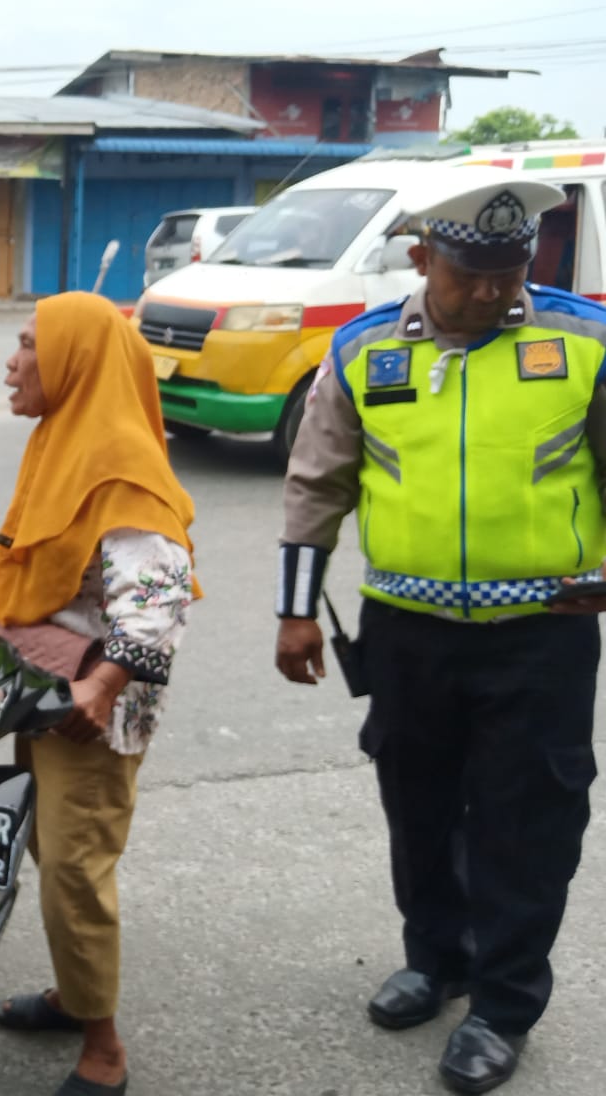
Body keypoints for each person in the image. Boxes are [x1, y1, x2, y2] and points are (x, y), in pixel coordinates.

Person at [275, 170, 606, 1095]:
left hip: (543, 630)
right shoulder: (358, 350)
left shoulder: (583, 341)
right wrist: (296, 612)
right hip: (407, 629)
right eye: (472, 274)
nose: (496, 291)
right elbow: (315, 486)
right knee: (417, 804)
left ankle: (502, 1005)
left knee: (526, 817)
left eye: (511, 270)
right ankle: (437, 957)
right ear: (421, 259)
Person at [0, 291, 196, 1096]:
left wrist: (99, 684)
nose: (13, 362)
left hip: (89, 711)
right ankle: (72, 993)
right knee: (47, 851)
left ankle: (103, 1048)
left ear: (75, 362)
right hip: (39, 687)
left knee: (73, 868)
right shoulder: (63, 440)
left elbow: (156, 606)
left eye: (29, 346)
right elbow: (35, 559)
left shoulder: (119, 464)